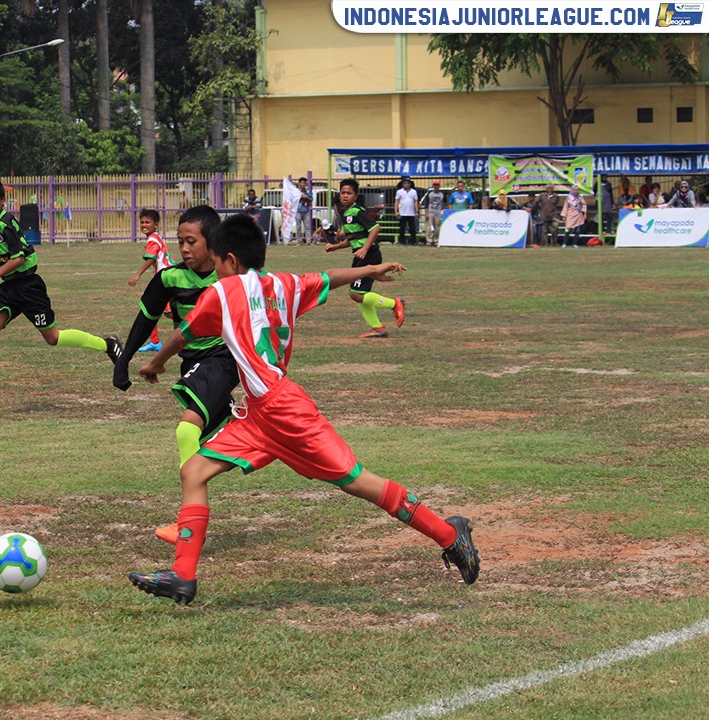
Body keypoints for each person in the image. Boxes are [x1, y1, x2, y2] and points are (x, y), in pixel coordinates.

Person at [126, 214, 480, 605]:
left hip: (284, 410)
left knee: (359, 481)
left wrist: (156, 363)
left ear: (229, 260)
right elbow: (326, 277)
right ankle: (182, 577)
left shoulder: (222, 293)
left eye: (216, 260)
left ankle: (450, 535)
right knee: (194, 471)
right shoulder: (286, 284)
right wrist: (371, 268)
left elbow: (184, 333)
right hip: (260, 412)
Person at [0, 178, 122, 410]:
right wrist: (1, 266)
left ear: (3, 200)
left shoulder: (4, 224)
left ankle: (107, 344)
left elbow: (20, 259)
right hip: (10, 288)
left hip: (28, 288)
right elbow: (23, 251)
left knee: (53, 338)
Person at [113, 205, 238, 482]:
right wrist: (123, 361)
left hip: (225, 358)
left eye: (191, 242)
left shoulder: (233, 275)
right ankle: (242, 430)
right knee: (214, 436)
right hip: (192, 363)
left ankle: (190, 515)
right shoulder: (169, 278)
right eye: (180, 242)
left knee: (186, 430)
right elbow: (146, 319)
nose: (184, 249)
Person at [325, 178, 405, 339]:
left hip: (368, 255)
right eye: (343, 193)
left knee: (356, 293)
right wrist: (335, 247)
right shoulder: (347, 213)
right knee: (360, 294)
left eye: (349, 193)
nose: (345, 196)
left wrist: (365, 248)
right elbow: (352, 239)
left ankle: (395, 304)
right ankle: (377, 328)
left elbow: (375, 228)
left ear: (356, 196)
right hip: (361, 255)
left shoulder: (358, 211)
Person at [128, 208, 174, 353]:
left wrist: (137, 274)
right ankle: (154, 342)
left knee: (170, 312)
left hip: (166, 278)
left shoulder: (153, 239)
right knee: (149, 304)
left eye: (147, 222)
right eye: (142, 222)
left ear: (156, 224)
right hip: (164, 277)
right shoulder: (154, 237)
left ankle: (198, 326)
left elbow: (151, 258)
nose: (144, 225)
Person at [394, 178, 420, 246]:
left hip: (411, 213)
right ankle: (402, 241)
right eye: (404, 183)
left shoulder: (414, 192)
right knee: (402, 228)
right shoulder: (399, 192)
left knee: (412, 228)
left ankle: (413, 242)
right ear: (402, 184)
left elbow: (415, 202)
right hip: (402, 212)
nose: (406, 184)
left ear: (410, 184)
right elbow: (396, 202)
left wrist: (417, 211)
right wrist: (396, 211)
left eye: (408, 183)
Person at [420, 180, 445, 247]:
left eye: (437, 185)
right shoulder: (430, 194)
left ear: (439, 186)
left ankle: (436, 240)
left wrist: (441, 211)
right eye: (435, 185)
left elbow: (443, 203)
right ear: (433, 186)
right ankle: (429, 240)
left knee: (437, 227)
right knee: (429, 227)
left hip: (438, 212)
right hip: (430, 212)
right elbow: (426, 204)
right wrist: (426, 213)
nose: (436, 186)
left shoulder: (442, 194)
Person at [293, 176, 312, 244]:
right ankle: (299, 241)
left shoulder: (307, 191)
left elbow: (311, 198)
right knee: (298, 227)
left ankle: (309, 241)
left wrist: (306, 196)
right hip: (298, 210)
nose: (303, 184)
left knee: (307, 226)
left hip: (305, 210)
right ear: (299, 184)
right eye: (302, 183)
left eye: (304, 183)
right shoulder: (296, 191)